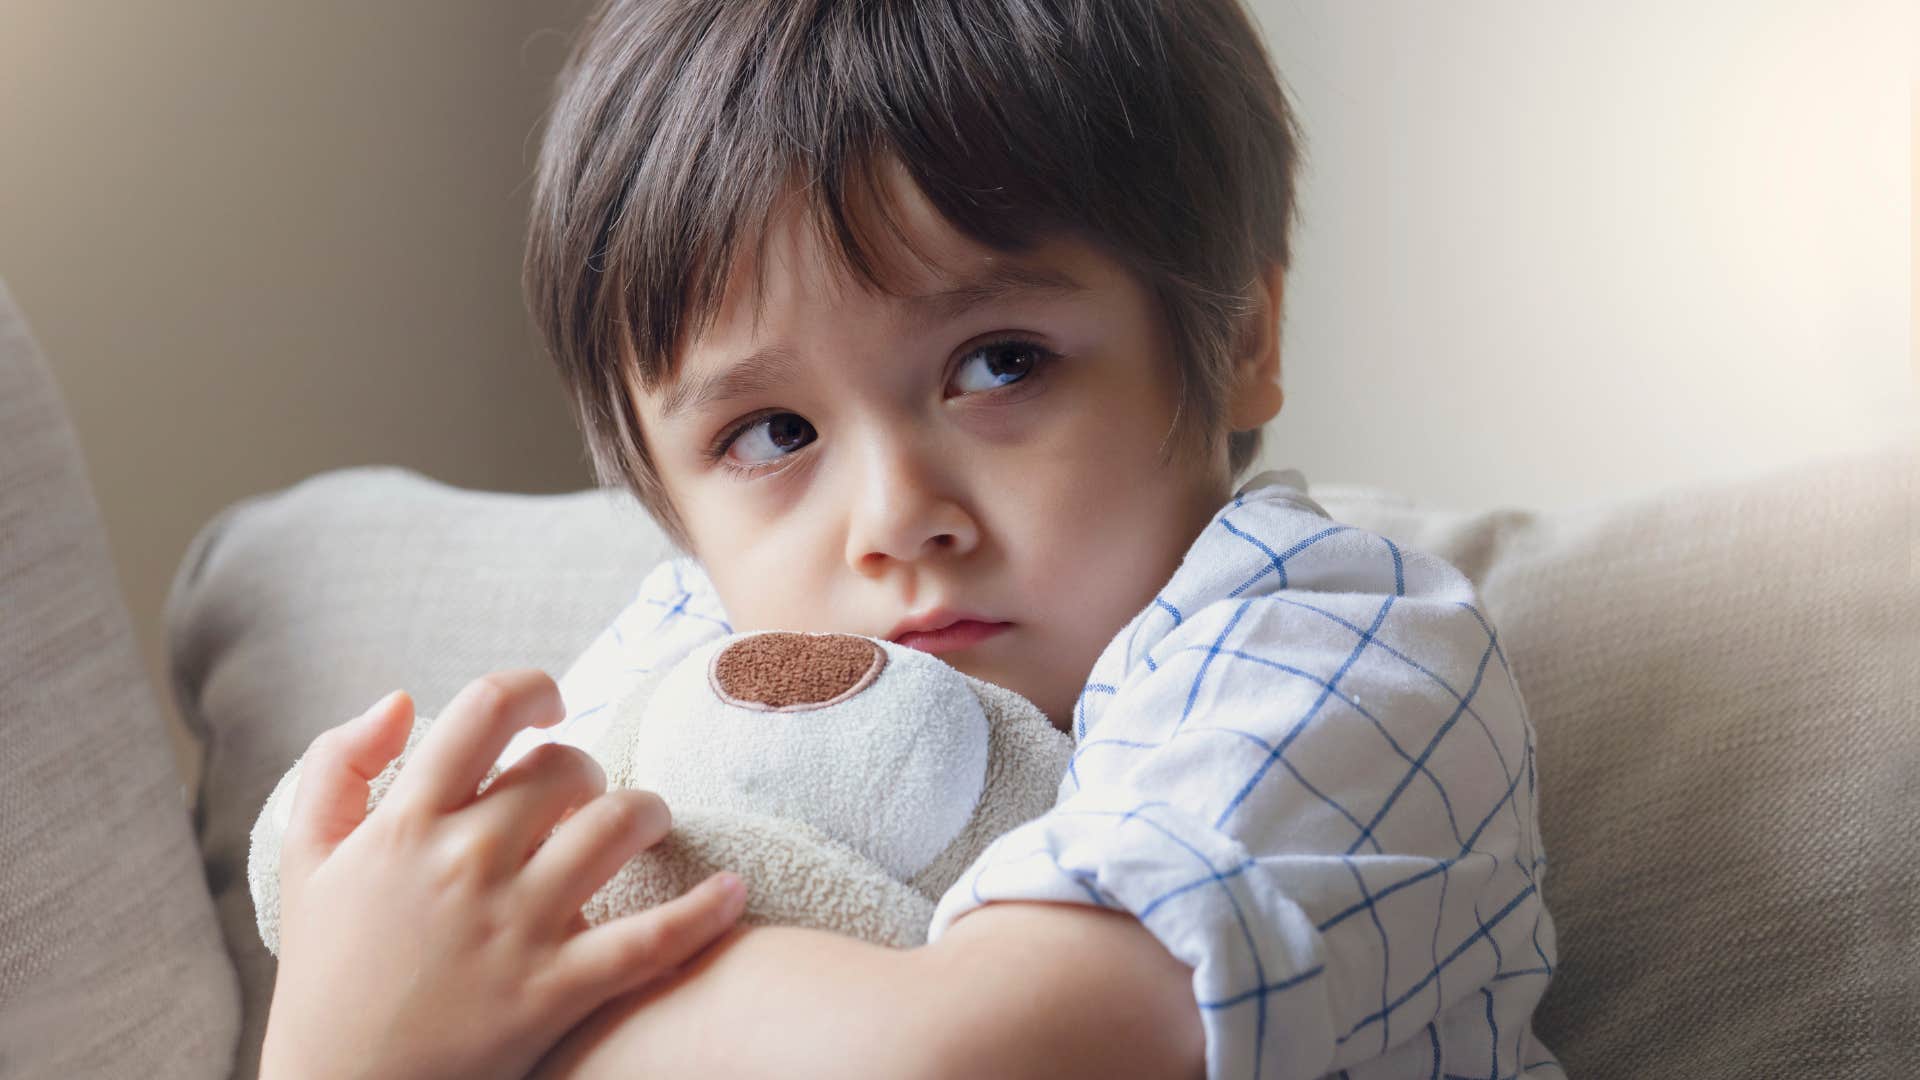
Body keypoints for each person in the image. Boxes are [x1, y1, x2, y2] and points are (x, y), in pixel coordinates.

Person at [261, 0, 1561, 1076]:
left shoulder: (1333, 644)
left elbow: (968, 1055)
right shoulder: (698, 650)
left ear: (1238, 340)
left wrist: (405, 1040)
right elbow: (482, 903)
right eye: (772, 435)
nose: (893, 520)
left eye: (1000, 364)